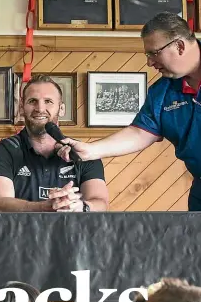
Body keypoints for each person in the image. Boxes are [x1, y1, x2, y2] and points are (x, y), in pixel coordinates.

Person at [58, 12, 201, 211]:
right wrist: (91, 150)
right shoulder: (162, 92)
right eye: (147, 55)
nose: (150, 62)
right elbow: (141, 132)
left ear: (179, 46)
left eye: (154, 53)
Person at [0, 74, 110, 212]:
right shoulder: (3, 151)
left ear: (61, 109)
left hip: (72, 233)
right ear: (21, 108)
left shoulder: (83, 152)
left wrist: (80, 206)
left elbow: (101, 203)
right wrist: (44, 208)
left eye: (48, 101)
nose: (40, 108)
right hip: (19, 233)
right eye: (32, 101)